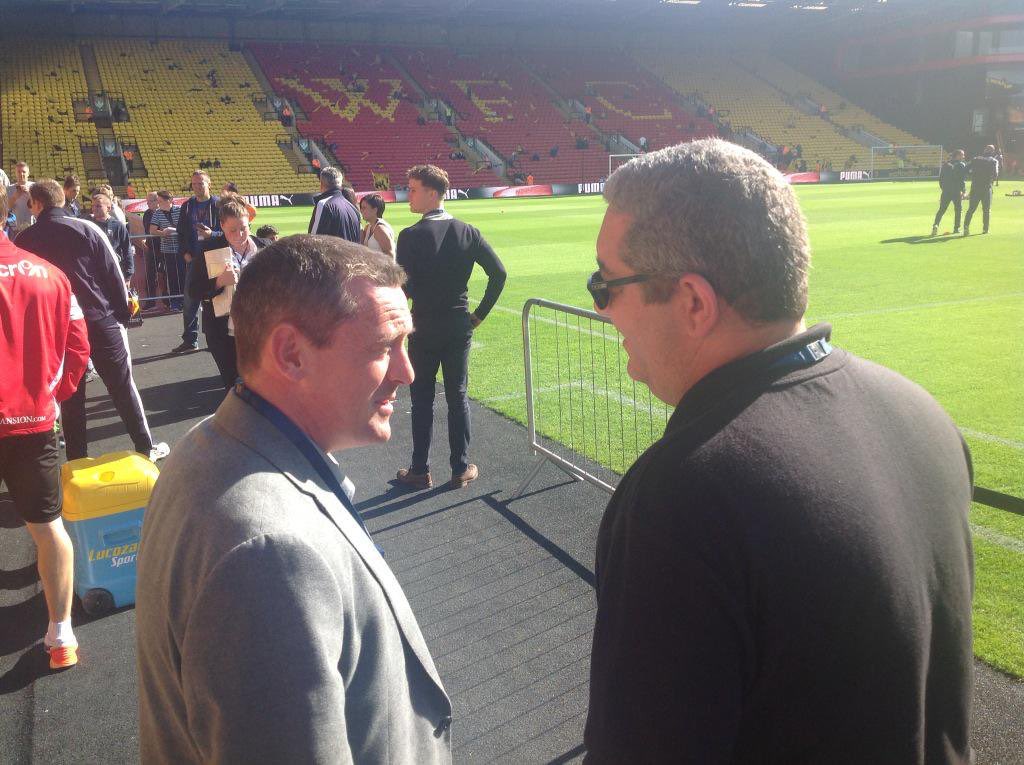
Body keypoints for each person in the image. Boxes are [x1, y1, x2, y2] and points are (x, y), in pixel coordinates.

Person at [583, 140, 973, 763]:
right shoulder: (920, 412)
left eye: (604, 284)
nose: (599, 308)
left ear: (693, 302)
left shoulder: (683, 496)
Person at [136, 235, 452, 763]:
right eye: (383, 348)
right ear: (291, 353)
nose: (407, 371)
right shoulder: (268, 555)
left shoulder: (210, 445)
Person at [0, 185, 90, 670]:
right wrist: (52, 397)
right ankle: (62, 636)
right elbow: (78, 347)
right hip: (33, 422)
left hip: (28, 418)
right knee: (48, 527)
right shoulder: (51, 276)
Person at [16, 180, 168, 462]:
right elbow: (113, 273)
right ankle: (145, 447)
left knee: (71, 397)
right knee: (122, 385)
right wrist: (121, 317)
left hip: (56, 328)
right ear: (62, 201)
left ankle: (77, 461)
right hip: (99, 319)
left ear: (36, 204)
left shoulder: (24, 241)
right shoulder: (87, 228)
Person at [395, 164, 506, 490]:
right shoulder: (467, 231)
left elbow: (404, 288)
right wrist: (479, 315)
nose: (408, 195)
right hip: (458, 324)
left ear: (433, 192)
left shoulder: (410, 236)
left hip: (424, 326)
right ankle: (459, 468)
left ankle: (420, 470)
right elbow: (499, 274)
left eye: (413, 189)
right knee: (457, 397)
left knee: (421, 399)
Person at [188, 197, 272, 389]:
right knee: (233, 385)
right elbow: (193, 290)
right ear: (221, 226)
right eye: (232, 230)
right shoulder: (208, 249)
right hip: (222, 331)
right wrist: (218, 282)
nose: (239, 234)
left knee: (262, 383)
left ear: (249, 222)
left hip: (259, 329)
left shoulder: (265, 247)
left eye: (243, 228)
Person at [174, 170, 221, 352]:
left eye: (201, 183)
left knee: (217, 301)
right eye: (194, 184)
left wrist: (213, 234)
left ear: (209, 183)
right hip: (194, 259)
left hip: (216, 258)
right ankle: (190, 340)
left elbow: (228, 232)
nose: (197, 187)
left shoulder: (218, 205)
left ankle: (217, 338)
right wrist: (184, 252)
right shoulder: (187, 206)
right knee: (190, 302)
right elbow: (180, 233)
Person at [308, 167, 361, 242]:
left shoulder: (323, 204)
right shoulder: (353, 208)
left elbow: (313, 239)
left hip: (332, 253)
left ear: (321, 184)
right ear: (341, 184)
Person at [90, 193, 133, 282]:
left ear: (108, 208)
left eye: (98, 206)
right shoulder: (88, 224)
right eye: (93, 206)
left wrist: (128, 275)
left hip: (114, 270)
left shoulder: (118, 226)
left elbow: (127, 249)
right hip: (94, 272)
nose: (94, 209)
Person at [149, 191, 182, 311]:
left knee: (183, 275)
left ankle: (185, 300)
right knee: (172, 277)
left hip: (182, 249)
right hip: (167, 250)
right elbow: (152, 230)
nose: (158, 204)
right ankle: (175, 302)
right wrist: (162, 233)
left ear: (169, 200)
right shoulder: (157, 213)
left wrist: (174, 230)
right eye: (157, 201)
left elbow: (186, 227)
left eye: (160, 201)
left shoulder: (180, 210)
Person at [963, 144, 1000, 236]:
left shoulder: (976, 159)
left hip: (975, 187)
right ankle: (985, 229)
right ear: (992, 151)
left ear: (984, 150)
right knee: (986, 210)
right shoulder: (994, 161)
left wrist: (973, 175)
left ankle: (966, 228)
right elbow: (995, 174)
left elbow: (966, 169)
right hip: (986, 187)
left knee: (971, 209)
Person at [931, 149, 968, 236]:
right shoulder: (961, 165)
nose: (964, 157)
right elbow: (961, 180)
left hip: (946, 191)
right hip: (956, 191)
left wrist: (944, 189)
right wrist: (963, 191)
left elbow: (941, 179)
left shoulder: (946, 164)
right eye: (962, 155)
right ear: (957, 156)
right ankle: (956, 228)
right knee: (958, 210)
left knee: (941, 210)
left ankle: (935, 225)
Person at [359, 192, 395, 258]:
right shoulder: (368, 227)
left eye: (364, 208)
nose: (361, 210)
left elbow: (390, 256)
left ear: (375, 210)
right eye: (361, 207)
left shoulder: (380, 229)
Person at [7, 161, 34, 234]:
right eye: (19, 172)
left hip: (33, 226)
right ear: (15, 173)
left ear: (28, 174)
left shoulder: (35, 187)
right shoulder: (9, 189)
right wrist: (15, 197)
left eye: (24, 172)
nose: (21, 174)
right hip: (15, 229)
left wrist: (30, 194)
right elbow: (6, 209)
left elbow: (41, 206)